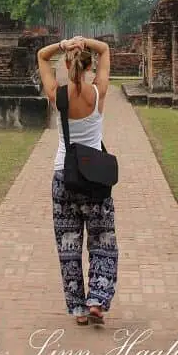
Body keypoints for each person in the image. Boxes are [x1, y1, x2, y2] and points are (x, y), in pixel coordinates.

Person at [36, 35, 118, 327]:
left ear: (68, 65)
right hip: (95, 179)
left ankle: (79, 310)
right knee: (102, 241)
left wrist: (63, 44)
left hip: (65, 176)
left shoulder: (58, 96)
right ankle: (97, 299)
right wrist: (86, 42)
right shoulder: (98, 93)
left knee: (69, 247)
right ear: (87, 67)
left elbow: (41, 57)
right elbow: (106, 50)